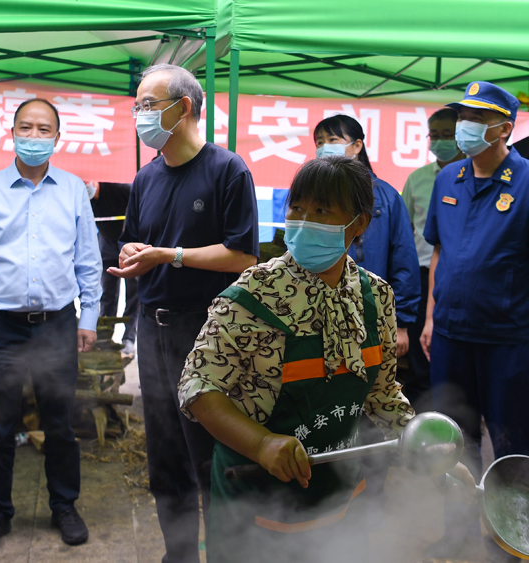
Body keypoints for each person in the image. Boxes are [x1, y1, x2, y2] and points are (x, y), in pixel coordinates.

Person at [178, 156, 475, 563]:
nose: (302, 220)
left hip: (339, 497)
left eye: (320, 210)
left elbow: (383, 393)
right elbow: (198, 387)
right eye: (296, 207)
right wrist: (262, 443)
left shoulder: (375, 297)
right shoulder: (253, 294)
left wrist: (432, 453)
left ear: (359, 224)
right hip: (254, 498)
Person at [109, 63, 259, 563]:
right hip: (153, 331)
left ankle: (223, 553)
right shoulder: (145, 177)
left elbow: (243, 256)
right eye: (138, 105)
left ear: (184, 107)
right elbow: (139, 244)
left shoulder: (227, 169)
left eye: (148, 104)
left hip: (208, 333)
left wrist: (169, 255)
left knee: (211, 456)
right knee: (165, 458)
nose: (140, 114)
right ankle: (178, 555)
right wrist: (136, 260)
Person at [0, 98, 102, 556]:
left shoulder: (72, 191)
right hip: (1, 326)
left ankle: (64, 506)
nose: (35, 136)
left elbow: (88, 260)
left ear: (57, 137)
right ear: (12, 133)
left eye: (45, 129)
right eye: (27, 127)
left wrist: (89, 317)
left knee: (60, 425)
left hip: (57, 325)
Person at [421, 81, 529, 562]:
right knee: (451, 441)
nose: (464, 127)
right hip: (448, 335)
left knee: (510, 443)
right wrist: (428, 319)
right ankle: (458, 532)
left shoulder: (527, 181)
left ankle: (512, 537)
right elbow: (439, 254)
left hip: (509, 339)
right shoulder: (449, 179)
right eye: (463, 116)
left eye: (477, 120)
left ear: (504, 129)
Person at [313, 115, 420, 348]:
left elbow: (404, 260)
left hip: (371, 312)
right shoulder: (312, 195)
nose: (323, 147)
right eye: (319, 142)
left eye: (332, 139)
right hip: (318, 310)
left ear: (357, 146)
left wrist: (401, 323)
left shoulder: (386, 197)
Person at [400, 108, 464, 408]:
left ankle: (454, 404)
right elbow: (406, 228)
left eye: (447, 135)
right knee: (419, 348)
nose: (439, 141)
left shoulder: (472, 175)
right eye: (434, 135)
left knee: (451, 345)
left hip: (458, 276)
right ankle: (422, 410)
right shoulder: (418, 178)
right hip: (422, 274)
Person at [88, 180, 139, 355]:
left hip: (131, 244)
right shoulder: (82, 198)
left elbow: (141, 204)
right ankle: (104, 336)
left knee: (134, 292)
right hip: (107, 244)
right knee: (107, 292)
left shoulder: (120, 188)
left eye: (86, 181)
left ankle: (129, 338)